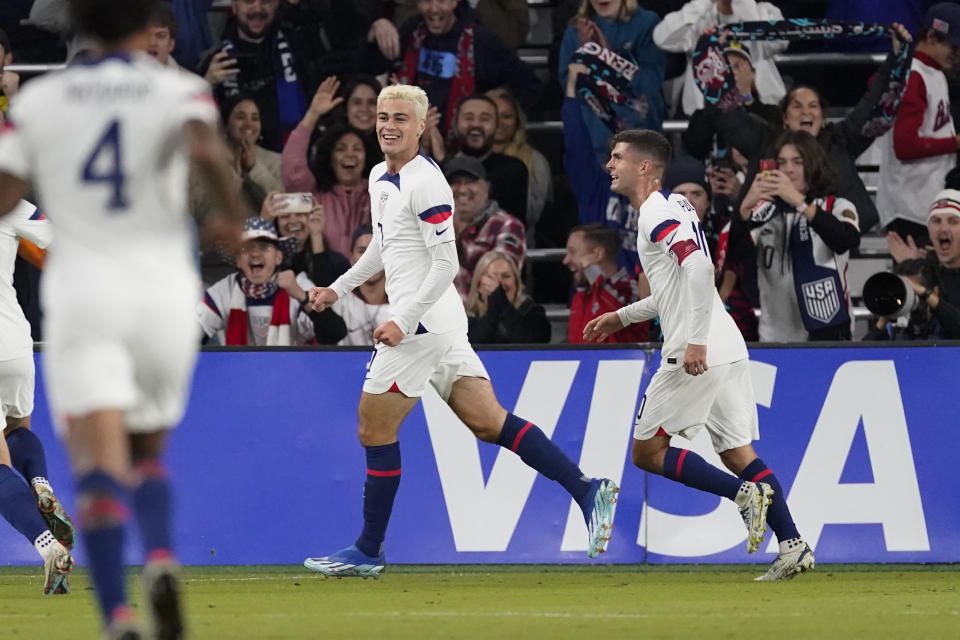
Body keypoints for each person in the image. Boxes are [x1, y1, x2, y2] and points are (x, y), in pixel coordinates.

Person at [0, 0, 246, 634]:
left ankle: (116, 616)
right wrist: (228, 222)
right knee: (146, 451)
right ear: (147, 28)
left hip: (86, 292)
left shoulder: (42, 102)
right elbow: (210, 160)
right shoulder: (181, 90)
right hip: (162, 289)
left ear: (78, 24)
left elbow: (5, 190)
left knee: (95, 463)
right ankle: (160, 556)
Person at [303, 84, 618, 578]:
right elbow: (384, 247)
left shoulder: (427, 182)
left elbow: (447, 262)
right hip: (438, 320)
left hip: (422, 322)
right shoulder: (380, 175)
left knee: (373, 426)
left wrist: (401, 321)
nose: (387, 125)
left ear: (422, 126)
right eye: (383, 117)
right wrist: (337, 289)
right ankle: (586, 489)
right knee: (489, 421)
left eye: (400, 119)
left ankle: (367, 551)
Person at [584, 128, 814, 581]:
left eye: (617, 158)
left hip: (698, 346)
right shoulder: (676, 205)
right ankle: (793, 544)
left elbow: (699, 268)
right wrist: (623, 316)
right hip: (725, 341)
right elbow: (677, 287)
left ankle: (743, 495)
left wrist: (693, 340)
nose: (610, 166)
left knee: (648, 453)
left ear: (643, 167)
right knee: (737, 451)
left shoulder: (653, 213)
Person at [0, 199, 76, 595]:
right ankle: (40, 482)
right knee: (16, 430)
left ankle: (49, 549)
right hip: (13, 341)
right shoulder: (7, 196)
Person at [738, 130, 860, 342]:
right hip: (774, 338)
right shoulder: (765, 213)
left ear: (813, 164)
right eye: (782, 162)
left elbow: (844, 241)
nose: (789, 170)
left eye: (797, 162)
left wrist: (799, 201)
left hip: (828, 336)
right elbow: (737, 256)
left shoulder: (836, 206)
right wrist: (744, 210)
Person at [373, 0, 541, 137]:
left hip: (466, 148)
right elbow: (370, 69)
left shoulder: (481, 40)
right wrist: (375, 30)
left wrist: (495, 119)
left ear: (455, 2)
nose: (434, 9)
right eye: (426, 1)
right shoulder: (410, 31)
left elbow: (530, 83)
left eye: (442, 1)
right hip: (412, 142)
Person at [878, 3, 960, 247]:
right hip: (910, 210)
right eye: (953, 47)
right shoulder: (913, 74)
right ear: (931, 36)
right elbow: (905, 146)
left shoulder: (932, 72)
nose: (956, 54)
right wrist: (955, 143)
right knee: (919, 283)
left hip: (923, 203)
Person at [198, 216, 345, 346]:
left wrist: (300, 295)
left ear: (278, 257)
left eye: (264, 247)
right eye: (246, 248)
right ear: (238, 260)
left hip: (292, 372)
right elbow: (193, 335)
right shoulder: (224, 290)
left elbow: (334, 334)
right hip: (240, 372)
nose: (255, 254)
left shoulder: (298, 285)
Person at [199, 0, 317, 151]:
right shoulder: (216, 60)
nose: (257, 9)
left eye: (266, 1)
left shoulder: (298, 45)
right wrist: (207, 83)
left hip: (293, 155)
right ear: (234, 7)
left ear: (276, 5)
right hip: (235, 159)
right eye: (249, 1)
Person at [558, 0, 665, 164]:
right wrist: (587, 58)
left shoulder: (647, 22)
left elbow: (649, 83)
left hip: (639, 141)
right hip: (592, 143)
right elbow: (570, 88)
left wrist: (607, 58)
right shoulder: (575, 30)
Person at [653, 0, 786, 116]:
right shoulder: (699, 17)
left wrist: (744, 5)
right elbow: (661, 38)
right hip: (706, 114)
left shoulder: (766, 12)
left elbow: (779, 43)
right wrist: (704, 2)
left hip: (761, 111)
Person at [875, 189, 960, 339]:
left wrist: (924, 292)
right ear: (929, 229)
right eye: (936, 221)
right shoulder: (925, 270)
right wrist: (911, 268)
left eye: (953, 221)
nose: (943, 228)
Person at [281, 120, 373, 256]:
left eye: (357, 149)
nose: (349, 154)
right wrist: (312, 115)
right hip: (321, 275)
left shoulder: (379, 192)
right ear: (329, 158)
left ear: (367, 158)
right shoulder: (314, 197)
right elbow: (293, 174)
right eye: (340, 149)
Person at [445, 156, 526, 300]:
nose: (462, 189)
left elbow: (498, 285)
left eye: (471, 182)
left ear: (487, 188)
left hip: (486, 318)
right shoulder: (428, 226)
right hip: (433, 318)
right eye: (454, 182)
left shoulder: (506, 226)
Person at [486, 87, 553, 245]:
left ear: (517, 121)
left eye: (507, 116)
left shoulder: (534, 161)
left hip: (517, 245)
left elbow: (532, 215)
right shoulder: (464, 158)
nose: (499, 123)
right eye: (492, 116)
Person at [448, 94, 529, 224]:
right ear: (455, 124)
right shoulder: (438, 168)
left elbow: (510, 226)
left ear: (496, 126)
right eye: (468, 118)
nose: (476, 124)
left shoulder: (513, 170)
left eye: (485, 119)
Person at [564, 223, 649, 344]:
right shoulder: (581, 294)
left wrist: (591, 271)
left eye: (572, 252)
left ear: (598, 254)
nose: (566, 260)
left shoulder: (630, 290)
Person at [260, 192, 350, 287]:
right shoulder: (268, 262)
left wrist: (316, 235)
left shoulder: (338, 262)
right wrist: (263, 224)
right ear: (277, 224)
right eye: (285, 216)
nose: (293, 221)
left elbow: (325, 290)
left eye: (300, 214)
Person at [466, 251, 551, 344]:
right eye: (491, 277)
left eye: (506, 276)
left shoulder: (532, 313)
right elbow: (474, 342)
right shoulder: (465, 320)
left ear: (517, 283)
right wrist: (495, 306)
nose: (499, 283)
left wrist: (500, 300)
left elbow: (532, 341)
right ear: (478, 285)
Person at [330, 224, 392, 346]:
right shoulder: (338, 302)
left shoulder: (403, 304)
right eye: (362, 251)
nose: (369, 259)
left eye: (376, 251)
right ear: (352, 258)